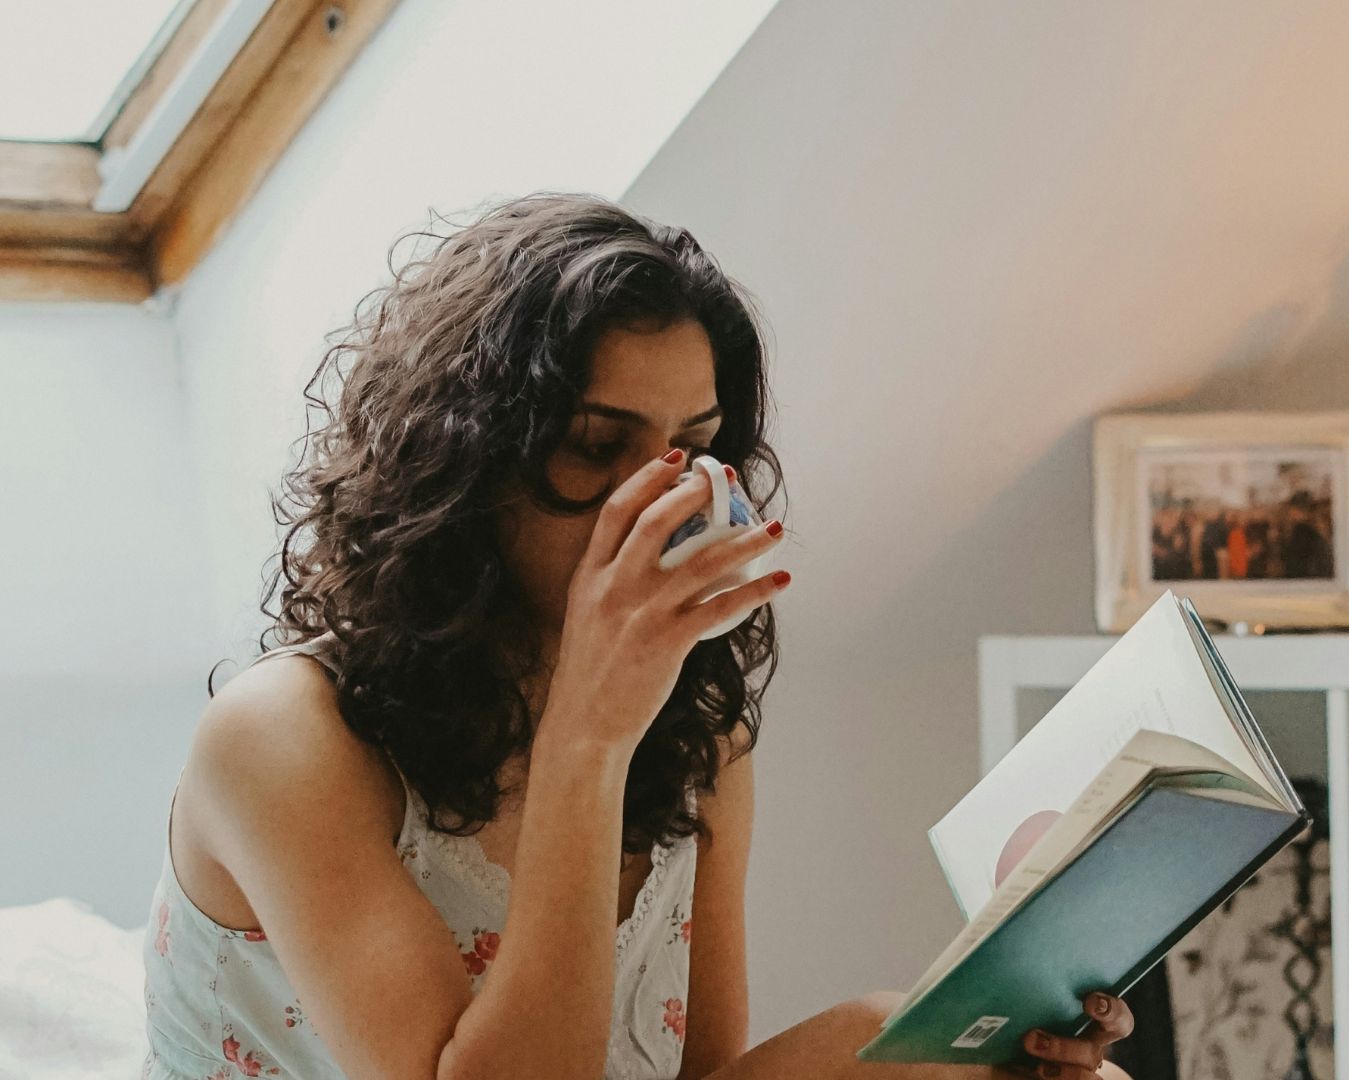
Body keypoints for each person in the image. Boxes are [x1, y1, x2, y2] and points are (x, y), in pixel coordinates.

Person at [141, 193, 1133, 1080]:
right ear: (462, 465)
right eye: (595, 446)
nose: (664, 500)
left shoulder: (701, 730)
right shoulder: (280, 739)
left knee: (949, 1057)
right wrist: (588, 737)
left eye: (693, 450)